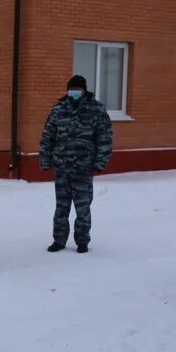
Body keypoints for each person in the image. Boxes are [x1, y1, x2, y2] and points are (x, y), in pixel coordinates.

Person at [39, 74, 113, 253]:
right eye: (71, 89)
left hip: (83, 167)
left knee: (83, 209)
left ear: (84, 90)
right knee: (61, 208)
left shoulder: (96, 110)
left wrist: (100, 162)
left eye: (77, 90)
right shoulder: (58, 109)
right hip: (62, 168)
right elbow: (48, 136)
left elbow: (105, 138)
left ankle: (82, 241)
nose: (73, 93)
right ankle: (59, 240)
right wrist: (45, 159)